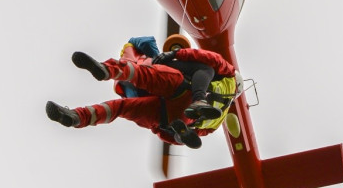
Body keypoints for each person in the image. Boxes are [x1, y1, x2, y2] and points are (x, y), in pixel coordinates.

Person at [45, 34, 237, 150]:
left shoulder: (228, 76)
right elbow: (198, 132)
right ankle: (77, 116)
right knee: (124, 101)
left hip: (179, 90)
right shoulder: (217, 119)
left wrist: (174, 54)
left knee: (134, 83)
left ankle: (98, 83)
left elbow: (208, 58)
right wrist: (164, 130)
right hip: (177, 116)